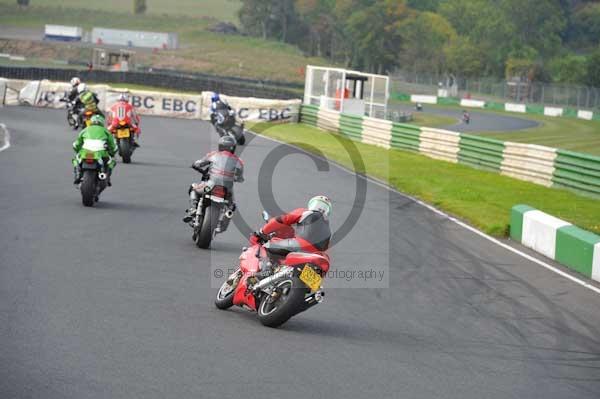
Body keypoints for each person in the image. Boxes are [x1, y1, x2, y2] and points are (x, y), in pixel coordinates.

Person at [250, 196, 332, 270]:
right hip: (316, 255)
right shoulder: (328, 229)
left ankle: (263, 272)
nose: (321, 208)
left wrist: (262, 232)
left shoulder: (306, 212)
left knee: (265, 246)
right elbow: (324, 248)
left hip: (300, 245)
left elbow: (282, 220)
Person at [183, 135, 244, 232]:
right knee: (232, 205)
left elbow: (199, 163)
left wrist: (194, 165)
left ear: (220, 146)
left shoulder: (213, 155)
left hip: (210, 186)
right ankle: (224, 223)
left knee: (194, 188)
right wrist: (234, 178)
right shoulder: (239, 161)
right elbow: (240, 178)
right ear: (233, 147)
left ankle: (193, 209)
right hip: (226, 190)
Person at [72, 114, 117, 185]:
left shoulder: (84, 130)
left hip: (85, 152)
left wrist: (78, 151)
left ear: (91, 122)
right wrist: (112, 153)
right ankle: (107, 177)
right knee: (112, 161)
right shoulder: (106, 131)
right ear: (102, 123)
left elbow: (76, 145)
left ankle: (77, 173)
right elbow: (113, 146)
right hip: (101, 153)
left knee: (76, 159)